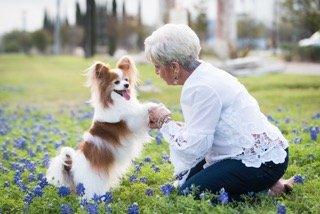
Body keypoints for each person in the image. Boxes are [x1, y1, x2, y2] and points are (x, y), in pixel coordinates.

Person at [145, 24, 295, 201]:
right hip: (255, 151)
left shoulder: (200, 87)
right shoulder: (205, 72)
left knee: (190, 194)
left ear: (175, 67)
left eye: (157, 66)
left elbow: (195, 148)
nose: (156, 72)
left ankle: (264, 191)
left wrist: (164, 121)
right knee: (184, 181)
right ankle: (266, 184)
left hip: (262, 161)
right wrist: (171, 125)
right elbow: (204, 128)